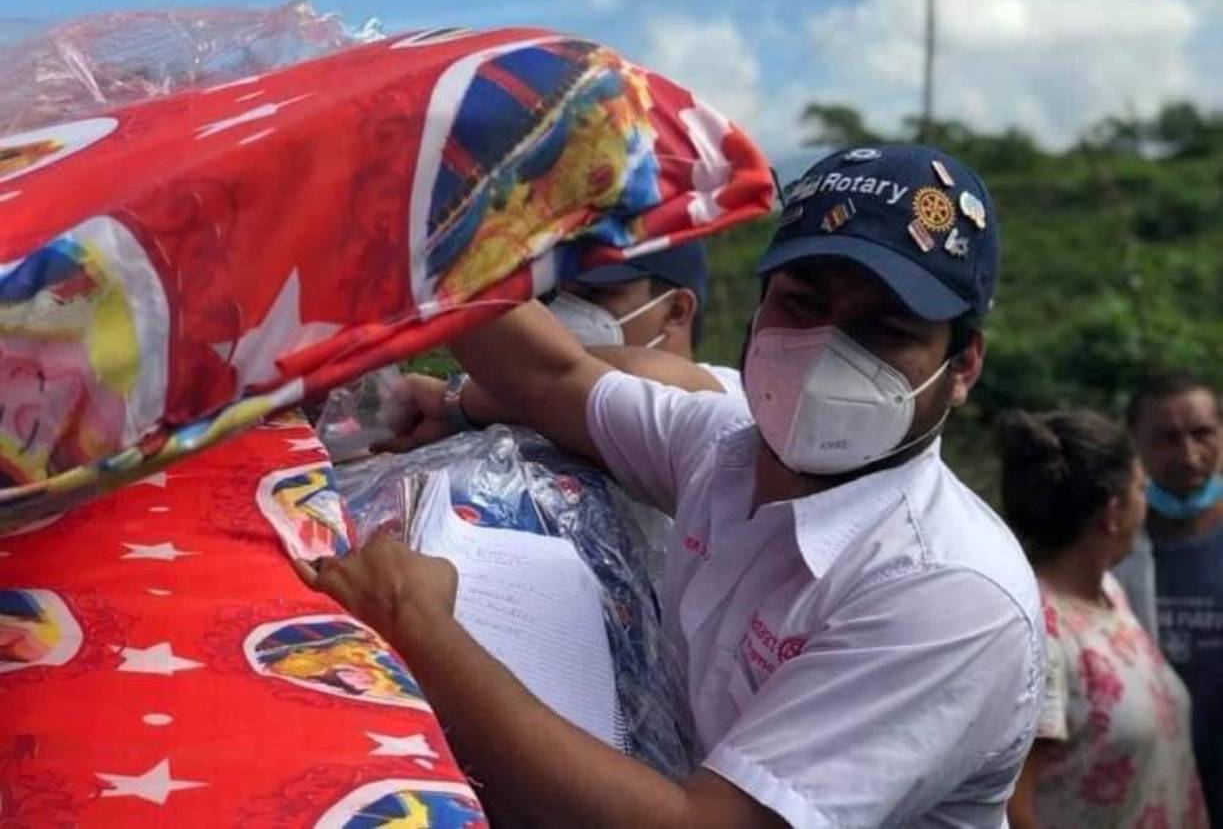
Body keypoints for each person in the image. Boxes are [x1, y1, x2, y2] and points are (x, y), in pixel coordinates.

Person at [295, 144, 1042, 827]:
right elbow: (556, 377)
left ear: (964, 365)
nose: (825, 354)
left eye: (885, 331)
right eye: (802, 307)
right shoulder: (721, 449)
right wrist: (409, 225)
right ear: (760, 308)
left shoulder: (946, 591)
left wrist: (420, 629)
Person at [998, 410, 1207, 829]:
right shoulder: (1043, 631)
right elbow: (1011, 805)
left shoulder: (1108, 594)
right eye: (1140, 489)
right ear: (1113, 511)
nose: (1146, 501)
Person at [1114, 372, 1223, 825]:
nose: (1188, 455)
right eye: (1166, 439)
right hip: (1140, 790)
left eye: (1202, 434)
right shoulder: (1108, 550)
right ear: (1135, 442)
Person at [547, 240, 744, 398]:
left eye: (595, 294)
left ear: (677, 311)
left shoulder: (730, 396)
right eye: (561, 295)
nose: (566, 310)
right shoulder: (547, 398)